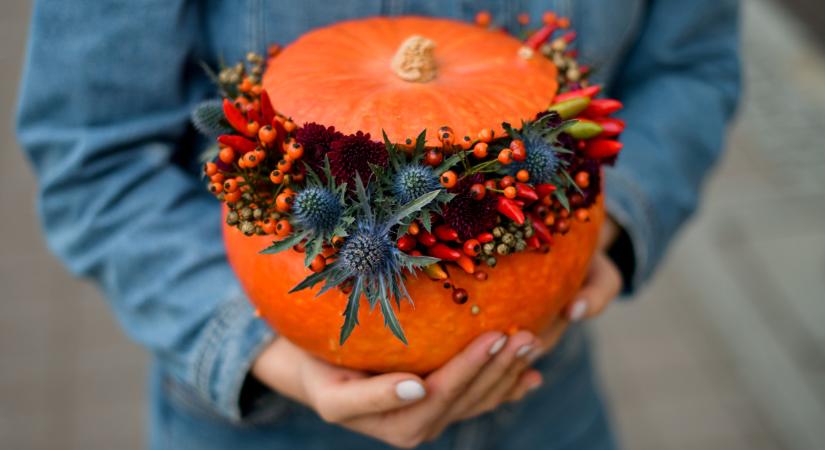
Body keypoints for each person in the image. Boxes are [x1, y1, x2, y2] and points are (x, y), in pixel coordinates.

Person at [16, 0, 740, 449]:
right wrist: (267, 352)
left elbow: (690, 67)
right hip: (258, 423)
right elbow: (94, 154)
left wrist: (607, 224)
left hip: (543, 401)